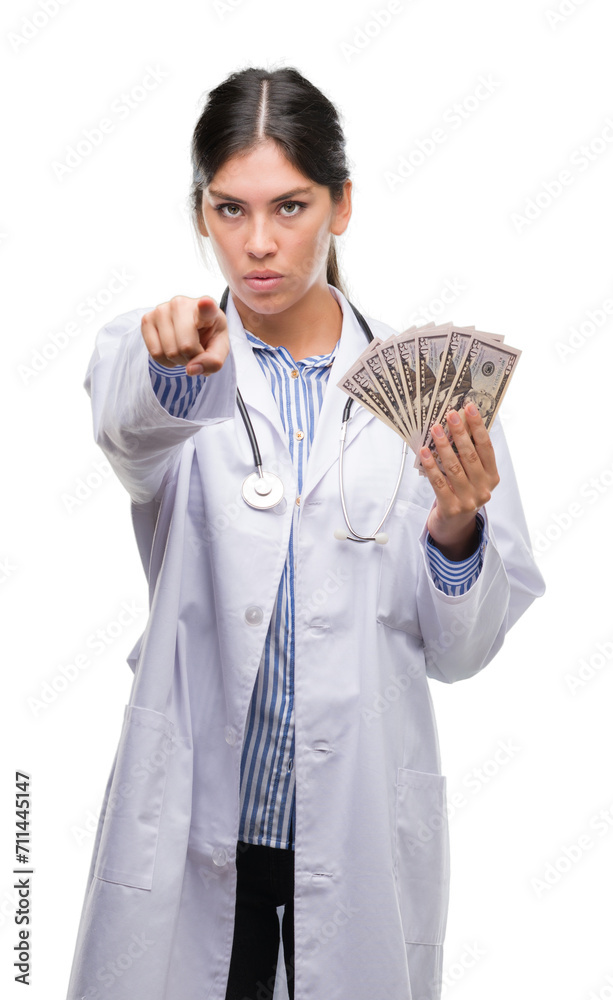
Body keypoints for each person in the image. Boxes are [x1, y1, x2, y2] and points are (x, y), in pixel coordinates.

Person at [66, 66, 545, 1000]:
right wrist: (170, 370)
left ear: (341, 206)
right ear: (200, 214)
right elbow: (127, 430)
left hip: (356, 826)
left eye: (290, 206)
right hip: (195, 827)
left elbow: (462, 653)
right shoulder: (167, 358)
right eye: (229, 209)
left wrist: (455, 525)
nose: (258, 243)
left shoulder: (431, 392)